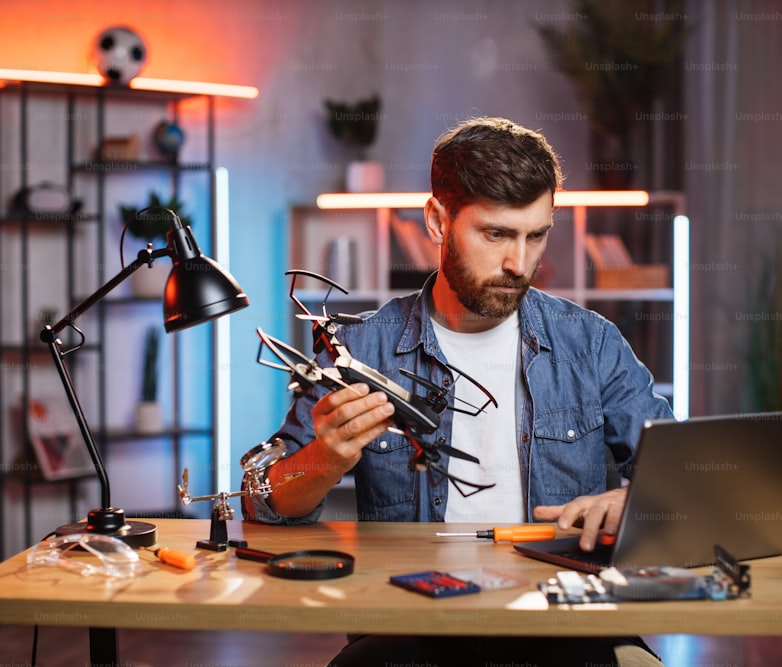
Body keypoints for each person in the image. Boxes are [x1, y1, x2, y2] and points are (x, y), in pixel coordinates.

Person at [247, 117, 673, 667]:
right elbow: (265, 503)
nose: (519, 264)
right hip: (410, 620)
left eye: (535, 235)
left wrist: (631, 501)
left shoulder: (591, 344)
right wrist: (324, 458)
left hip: (568, 618)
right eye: (496, 234)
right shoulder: (361, 350)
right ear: (436, 221)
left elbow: (684, 477)